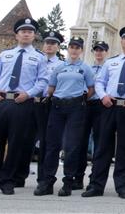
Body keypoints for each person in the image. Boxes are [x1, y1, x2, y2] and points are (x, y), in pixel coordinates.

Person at [0, 17, 48, 195]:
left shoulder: (39, 57)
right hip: (1, 101)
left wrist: (28, 94)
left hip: (22, 102)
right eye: (23, 31)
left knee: (16, 144)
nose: (26, 34)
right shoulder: (5, 55)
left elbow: (43, 81)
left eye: (30, 32)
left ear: (34, 36)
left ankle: (8, 181)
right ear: (17, 34)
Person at [81, 25, 125, 199]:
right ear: (121, 41)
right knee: (102, 147)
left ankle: (122, 186)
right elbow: (99, 82)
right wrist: (103, 96)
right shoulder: (110, 62)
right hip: (109, 106)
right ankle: (96, 185)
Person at [36, 37, 95, 196]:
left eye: (77, 47)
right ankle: (47, 182)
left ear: (81, 50)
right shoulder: (60, 67)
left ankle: (68, 182)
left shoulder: (85, 68)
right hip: (57, 106)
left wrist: (79, 100)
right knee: (52, 145)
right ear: (67, 49)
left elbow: (91, 89)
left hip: (76, 107)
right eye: (72, 47)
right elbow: (51, 88)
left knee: (71, 146)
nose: (74, 50)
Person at [31, 31, 65, 187]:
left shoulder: (61, 65)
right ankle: (17, 175)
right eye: (47, 43)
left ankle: (43, 177)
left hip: (49, 103)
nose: (49, 46)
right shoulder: (35, 60)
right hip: (29, 101)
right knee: (23, 139)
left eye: (53, 43)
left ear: (58, 47)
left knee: (46, 141)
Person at [75, 40, 108, 190]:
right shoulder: (86, 68)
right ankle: (78, 177)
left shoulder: (109, 68)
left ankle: (94, 178)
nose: (99, 53)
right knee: (81, 142)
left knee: (99, 143)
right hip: (86, 105)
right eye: (96, 50)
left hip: (102, 106)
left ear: (106, 52)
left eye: (102, 50)